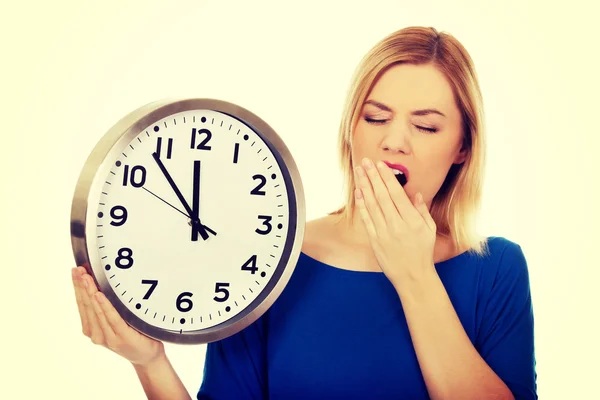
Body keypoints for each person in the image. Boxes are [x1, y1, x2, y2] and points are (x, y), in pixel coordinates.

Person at [71, 26, 537, 399]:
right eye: (375, 117)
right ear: (350, 129)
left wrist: (414, 275)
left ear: (462, 148)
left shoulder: (496, 270)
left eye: (426, 125)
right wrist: (149, 361)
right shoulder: (270, 262)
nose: (395, 141)